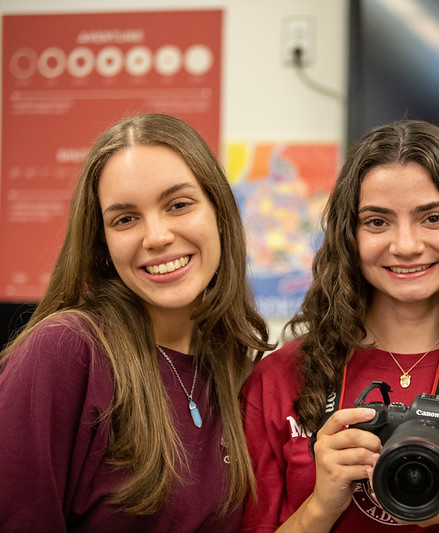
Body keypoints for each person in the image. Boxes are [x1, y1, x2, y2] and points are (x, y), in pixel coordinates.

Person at [241, 119, 439, 532]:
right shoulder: (278, 378)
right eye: (377, 222)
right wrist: (321, 505)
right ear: (348, 235)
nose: (406, 246)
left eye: (433, 218)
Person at [0, 113, 273, 531]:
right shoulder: (66, 350)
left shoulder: (233, 362)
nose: (157, 236)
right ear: (103, 243)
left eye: (178, 205)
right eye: (125, 219)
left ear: (219, 213)